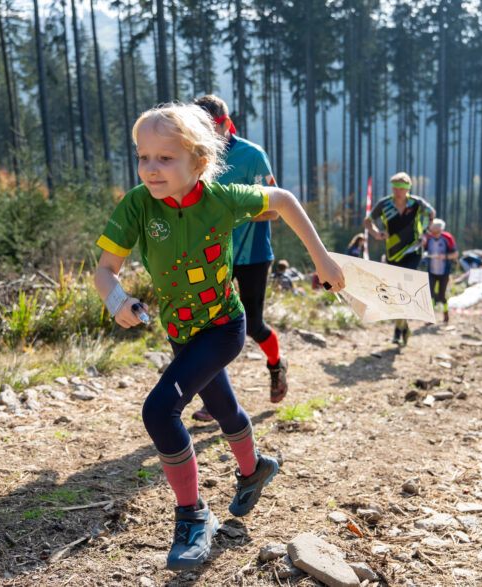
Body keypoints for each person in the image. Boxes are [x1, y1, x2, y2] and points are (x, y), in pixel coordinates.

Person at [93, 104, 345, 570]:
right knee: (224, 407)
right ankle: (255, 470)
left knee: (160, 410)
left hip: (225, 326)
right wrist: (118, 301)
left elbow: (284, 199)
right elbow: (105, 270)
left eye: (165, 158)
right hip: (180, 331)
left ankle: (192, 515)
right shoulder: (137, 204)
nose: (150, 168)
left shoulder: (222, 198)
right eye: (143, 156)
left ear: (199, 162)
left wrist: (323, 259)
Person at [191, 96, 288, 424]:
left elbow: (276, 209)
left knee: (254, 326)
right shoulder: (194, 156)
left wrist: (232, 213)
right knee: (211, 326)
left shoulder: (252, 155)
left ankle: (276, 366)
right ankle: (214, 400)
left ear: (225, 122)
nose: (206, 134)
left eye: (211, 127)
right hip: (212, 255)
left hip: (253, 255)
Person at [364, 172, 435, 345]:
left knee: (406, 289)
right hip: (393, 253)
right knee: (397, 292)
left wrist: (426, 232)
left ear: (408, 189)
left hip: (413, 251)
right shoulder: (385, 204)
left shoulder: (417, 203)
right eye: (395, 188)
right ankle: (402, 328)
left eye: (401, 189)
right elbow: (368, 221)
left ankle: (399, 330)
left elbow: (432, 213)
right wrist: (376, 233)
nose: (398, 192)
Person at [423, 218, 457, 323]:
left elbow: (455, 254)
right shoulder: (429, 238)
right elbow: (424, 250)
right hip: (432, 270)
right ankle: (430, 317)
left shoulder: (448, 238)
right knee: (430, 294)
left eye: (437, 231)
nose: (435, 234)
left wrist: (444, 256)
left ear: (441, 229)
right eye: (433, 231)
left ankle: (446, 314)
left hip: (444, 271)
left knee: (442, 296)